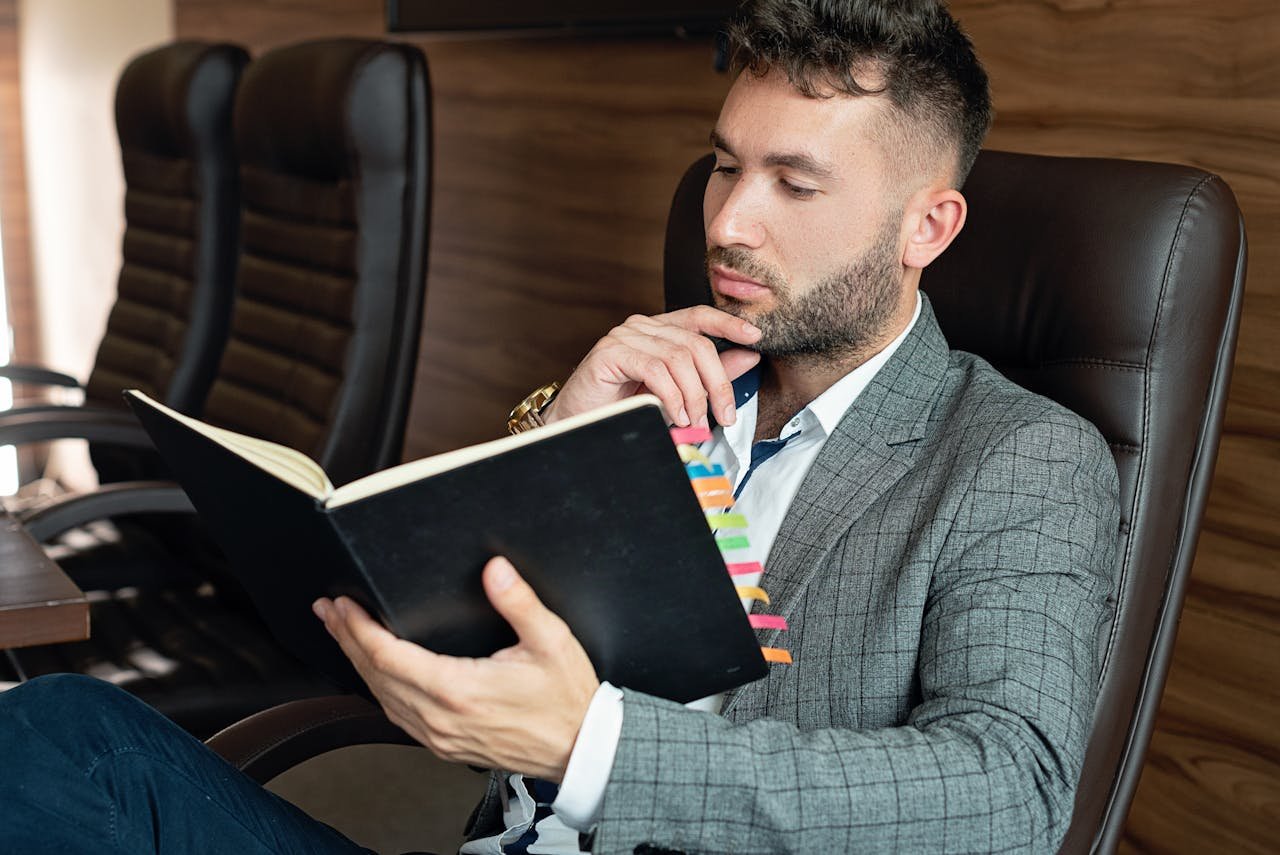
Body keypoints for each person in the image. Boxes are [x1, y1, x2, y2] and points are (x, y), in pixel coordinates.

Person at [0, 1, 1119, 853]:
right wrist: (560, 424)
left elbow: (1007, 787)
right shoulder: (668, 383)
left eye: (794, 183)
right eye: (725, 164)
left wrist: (590, 749)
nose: (725, 219)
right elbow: (467, 633)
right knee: (56, 730)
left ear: (927, 224)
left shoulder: (1017, 457)